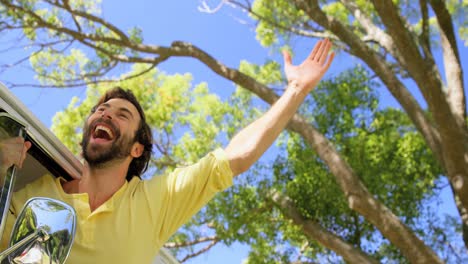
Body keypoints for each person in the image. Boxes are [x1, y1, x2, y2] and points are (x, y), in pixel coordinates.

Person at [0, 39, 334, 263]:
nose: (105, 115)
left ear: (136, 148)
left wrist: (296, 88)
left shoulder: (155, 202)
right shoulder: (32, 195)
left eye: (121, 114)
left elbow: (236, 157)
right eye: (101, 111)